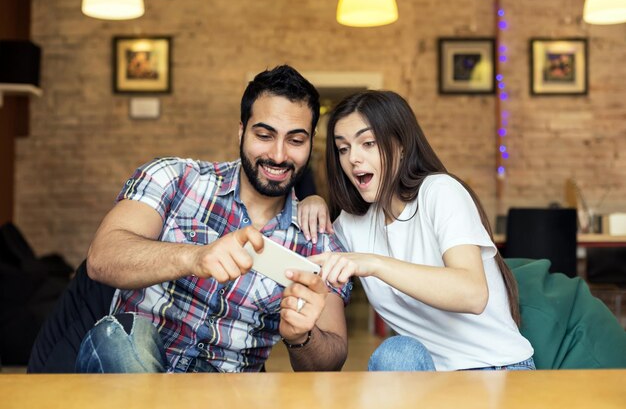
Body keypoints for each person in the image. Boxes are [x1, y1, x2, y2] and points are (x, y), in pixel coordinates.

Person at [75, 65, 350, 374]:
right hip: (138, 372)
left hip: (229, 391)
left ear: (311, 143)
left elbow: (332, 356)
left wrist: (303, 336)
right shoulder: (174, 178)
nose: (278, 154)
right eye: (264, 135)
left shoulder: (318, 240)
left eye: (296, 141)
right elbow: (102, 258)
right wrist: (196, 257)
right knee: (120, 338)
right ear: (241, 131)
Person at [299, 90, 535, 371]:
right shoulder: (351, 225)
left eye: (368, 143)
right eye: (343, 148)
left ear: (400, 145)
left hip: (497, 370)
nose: (353, 159)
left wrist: (373, 264)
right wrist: (313, 200)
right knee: (397, 353)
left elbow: (473, 294)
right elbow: (312, 265)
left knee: (397, 353)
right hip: (428, 376)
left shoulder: (440, 192)